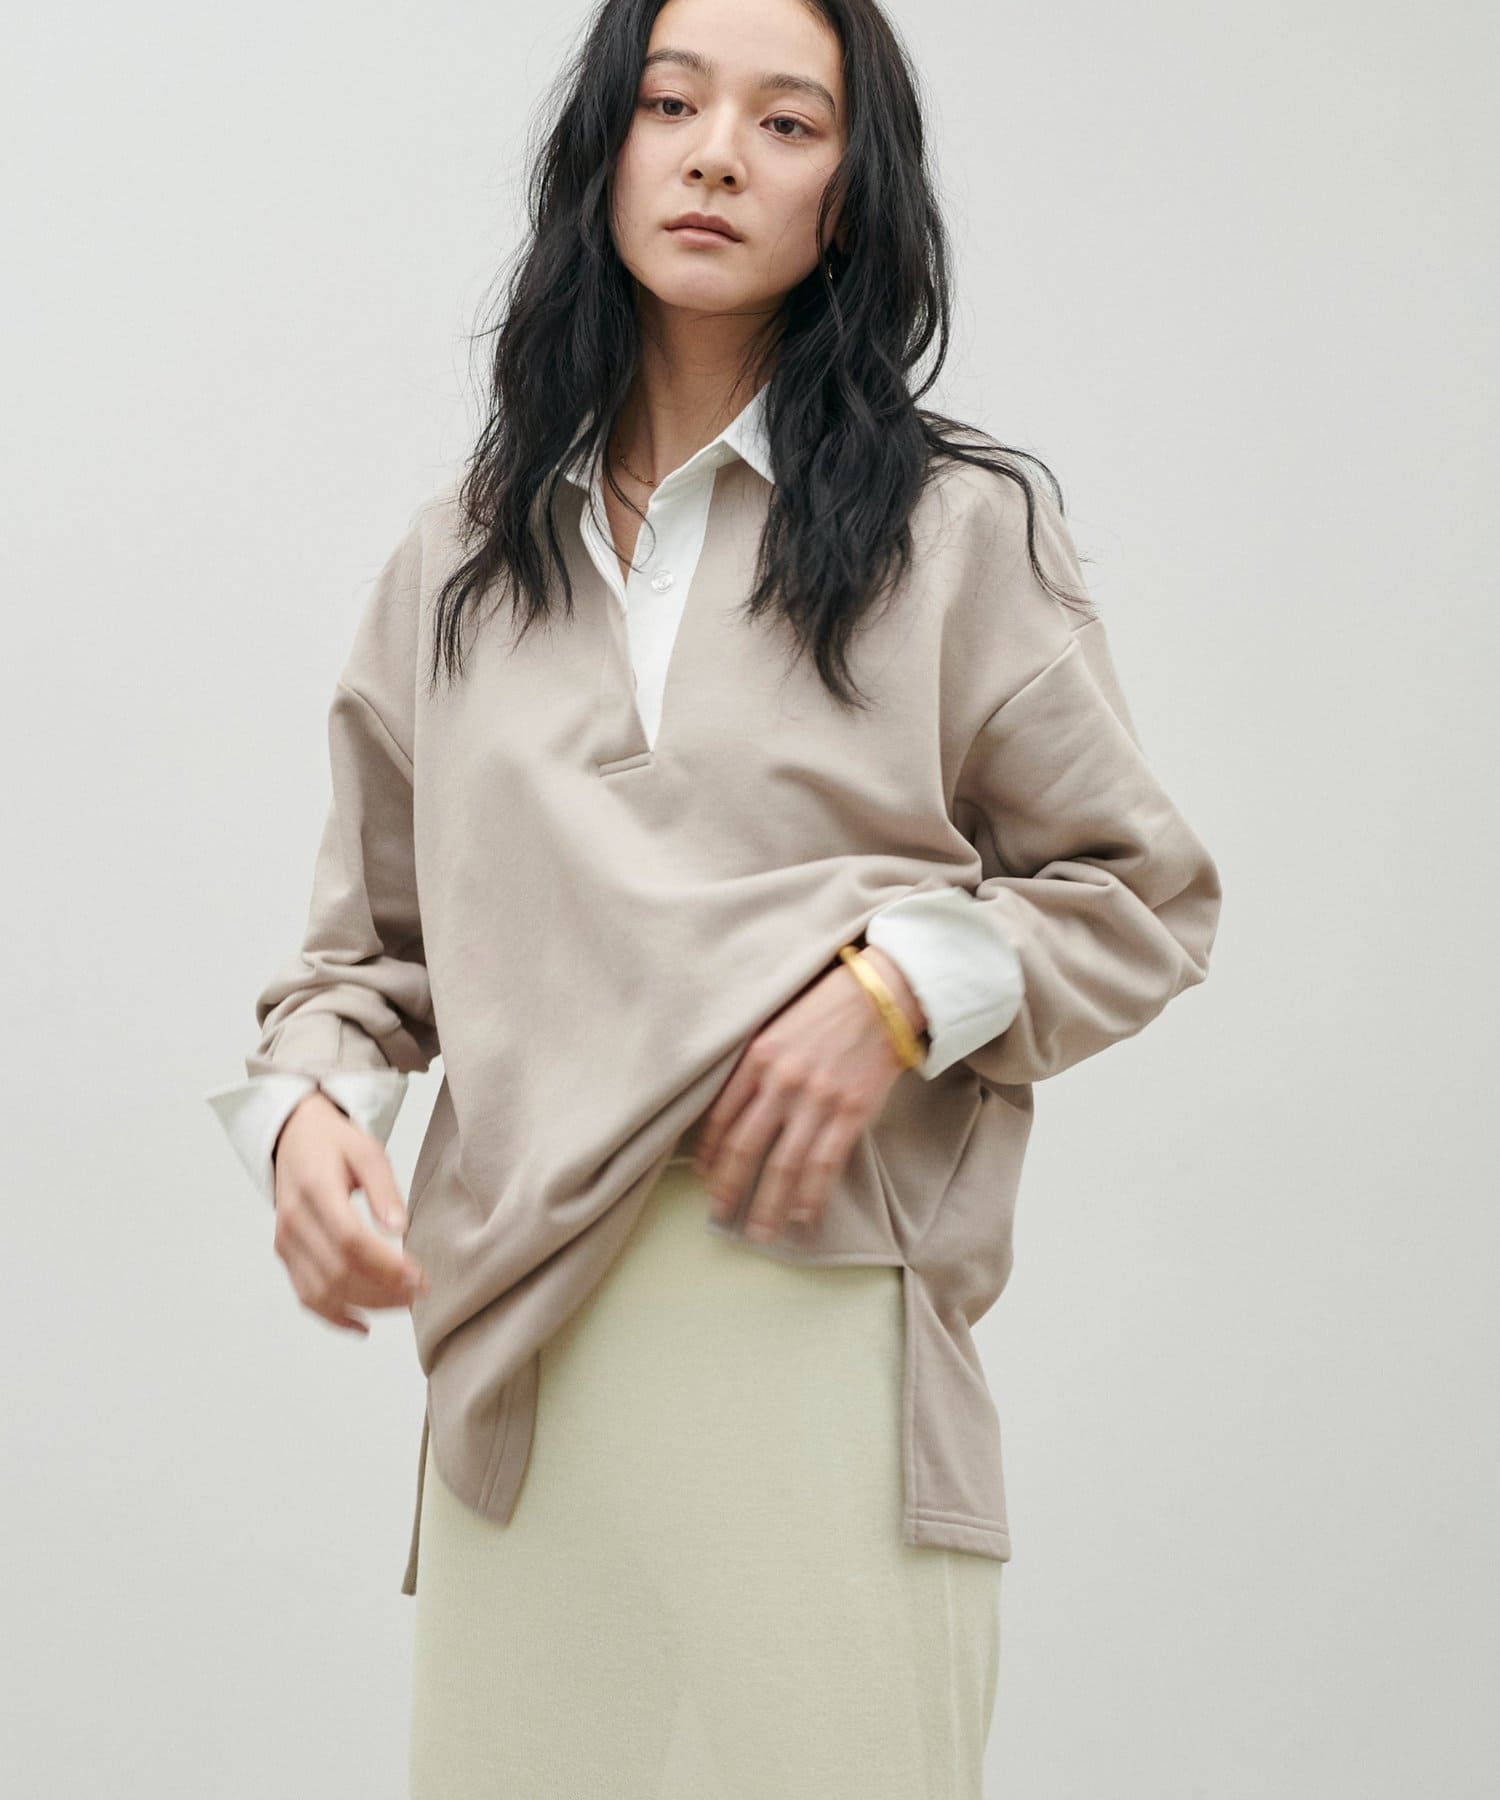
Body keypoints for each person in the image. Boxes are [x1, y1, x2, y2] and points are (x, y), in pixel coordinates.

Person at [204, 0, 1223, 1794]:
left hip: (824, 1334)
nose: (718, 156)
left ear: (853, 190)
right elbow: (364, 964)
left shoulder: (955, 533)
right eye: (670, 103)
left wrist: (896, 992)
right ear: (602, 149)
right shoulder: (460, 562)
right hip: (522, 1374)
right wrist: (305, 1121)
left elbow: (1140, 894)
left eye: (789, 122)